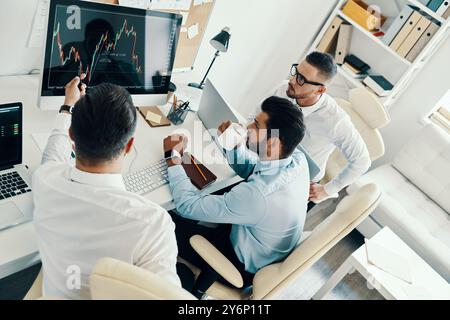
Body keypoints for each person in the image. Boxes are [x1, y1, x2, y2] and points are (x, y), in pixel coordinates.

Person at [33, 75, 180, 299]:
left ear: (72, 136)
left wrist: (67, 107)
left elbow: (52, 154)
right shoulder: (153, 226)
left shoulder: (45, 179)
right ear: (129, 144)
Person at [163, 96, 309, 297]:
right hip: (257, 243)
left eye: (256, 126)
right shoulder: (297, 160)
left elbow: (187, 206)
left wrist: (172, 157)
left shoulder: (258, 196)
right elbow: (254, 169)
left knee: (164, 219)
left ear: (273, 142)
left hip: (237, 264)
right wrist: (233, 146)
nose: (248, 127)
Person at [267, 52, 371, 204]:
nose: (292, 80)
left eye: (301, 79)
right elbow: (256, 115)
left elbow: (362, 161)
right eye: (296, 72)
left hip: (295, 180)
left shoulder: (335, 121)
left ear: (320, 90)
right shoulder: (284, 89)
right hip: (266, 156)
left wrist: (327, 190)